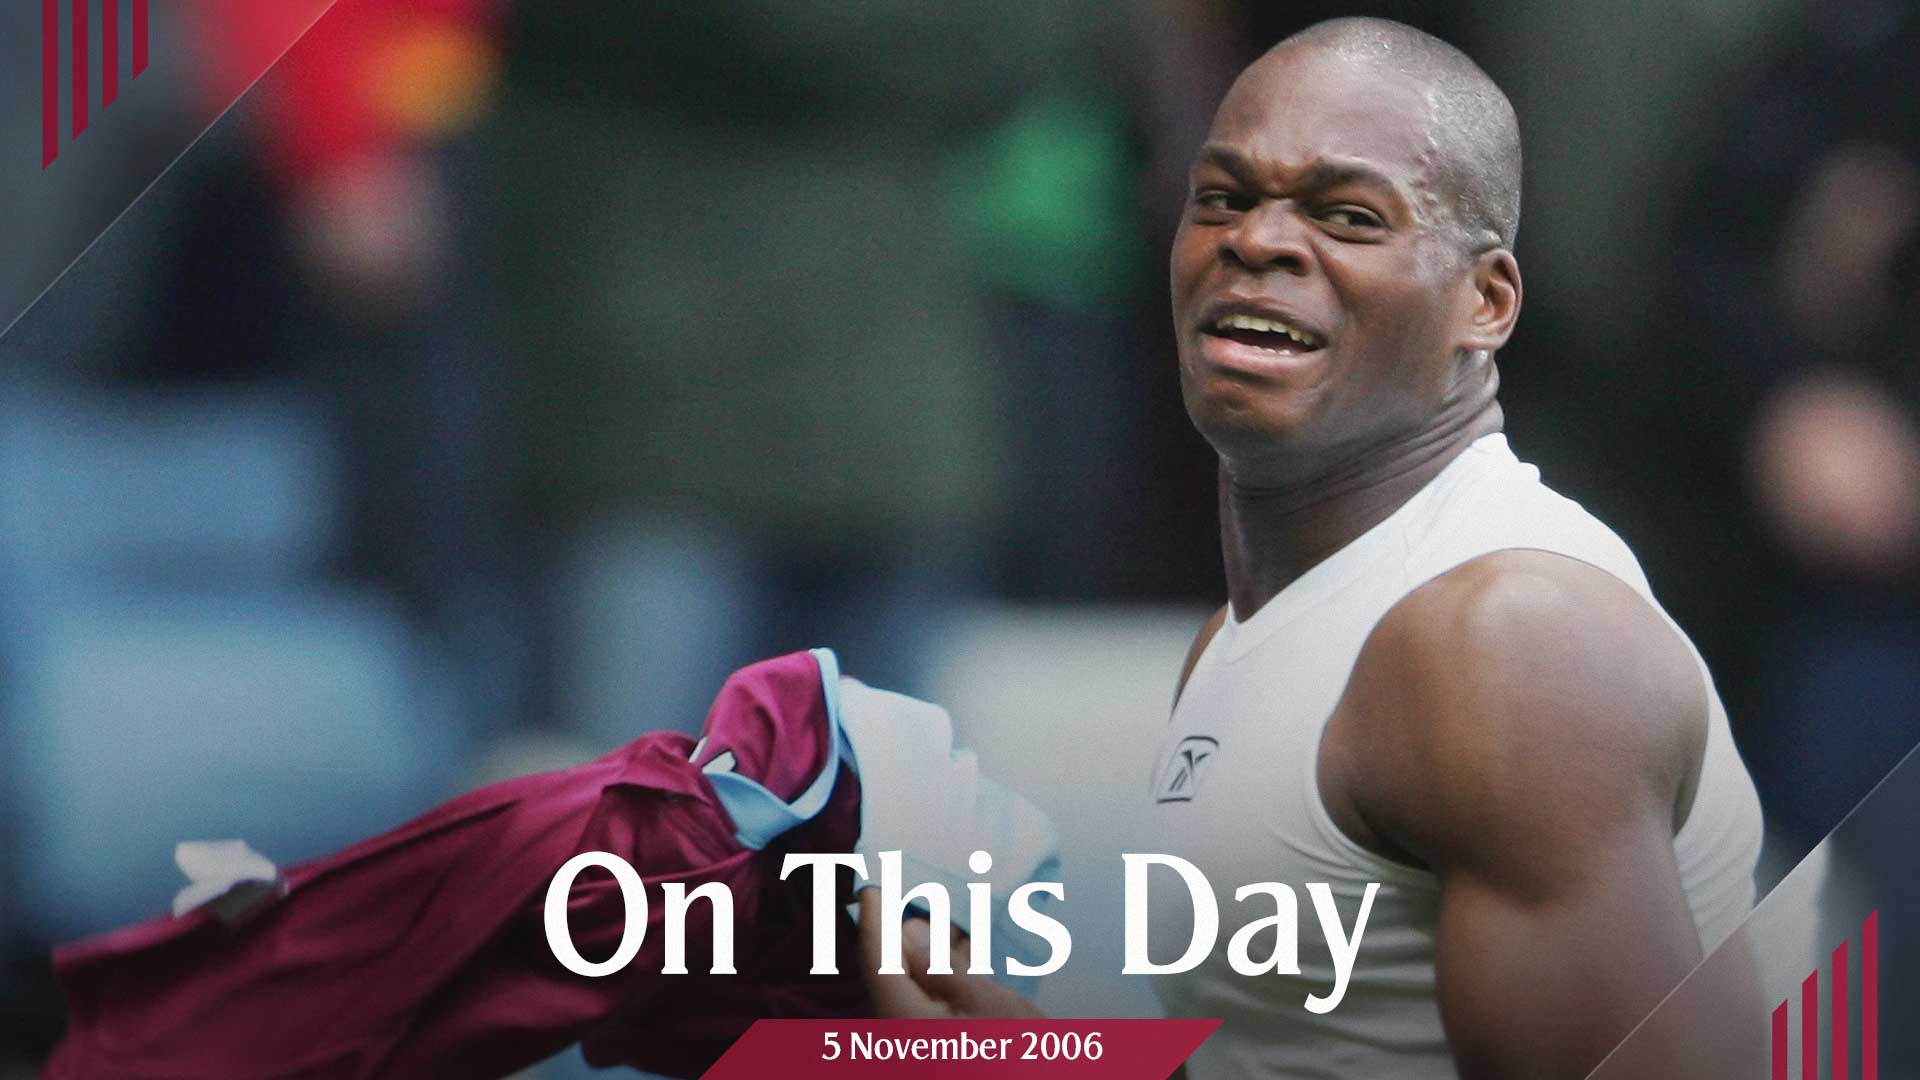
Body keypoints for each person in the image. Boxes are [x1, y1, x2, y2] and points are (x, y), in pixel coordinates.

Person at [878, 17, 1764, 1079]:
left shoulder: (1506, 638)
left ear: (1484, 302)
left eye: (1347, 215)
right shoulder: (1257, 631)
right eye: (1224, 198)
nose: (1258, 241)